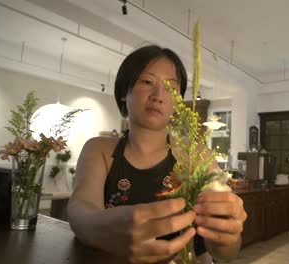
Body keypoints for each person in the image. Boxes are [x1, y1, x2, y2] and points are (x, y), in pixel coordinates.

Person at [67, 45, 247, 263]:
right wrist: (98, 228)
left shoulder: (198, 156)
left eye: (171, 88)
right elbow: (80, 208)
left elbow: (226, 253)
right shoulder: (100, 150)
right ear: (125, 91)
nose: (158, 96)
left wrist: (226, 235)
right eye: (147, 82)